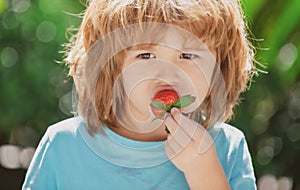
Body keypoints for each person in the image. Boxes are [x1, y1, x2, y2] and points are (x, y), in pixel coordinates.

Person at [22, 0, 257, 189]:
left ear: (220, 67)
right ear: (112, 67)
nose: (168, 74)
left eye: (188, 55)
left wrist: (203, 170)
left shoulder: (227, 147)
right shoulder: (64, 145)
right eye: (145, 56)